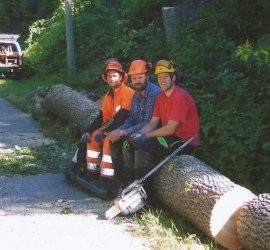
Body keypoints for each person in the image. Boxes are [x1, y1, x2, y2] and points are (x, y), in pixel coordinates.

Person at [66, 58, 134, 190]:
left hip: (126, 126)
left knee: (108, 141)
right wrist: (89, 130)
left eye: (114, 76)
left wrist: (104, 132)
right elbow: (102, 116)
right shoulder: (109, 95)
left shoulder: (128, 93)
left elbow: (123, 117)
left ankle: (107, 177)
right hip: (115, 125)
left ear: (121, 77)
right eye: (109, 76)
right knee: (92, 138)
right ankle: (92, 171)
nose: (111, 79)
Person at [128, 59, 200, 167]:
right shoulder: (161, 97)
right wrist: (139, 134)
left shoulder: (180, 97)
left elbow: (170, 129)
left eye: (166, 76)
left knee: (143, 144)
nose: (162, 80)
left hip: (184, 140)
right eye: (159, 77)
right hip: (169, 136)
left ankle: (142, 182)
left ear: (173, 77)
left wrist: (146, 136)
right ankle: (128, 179)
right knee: (131, 141)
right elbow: (153, 123)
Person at [107, 59, 161, 187]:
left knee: (132, 142)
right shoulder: (136, 94)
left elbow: (147, 122)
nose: (137, 81)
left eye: (140, 77)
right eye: (134, 78)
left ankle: (136, 184)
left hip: (153, 132)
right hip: (137, 129)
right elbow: (132, 118)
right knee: (114, 140)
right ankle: (121, 181)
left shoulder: (154, 93)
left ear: (147, 76)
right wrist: (119, 130)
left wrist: (123, 132)